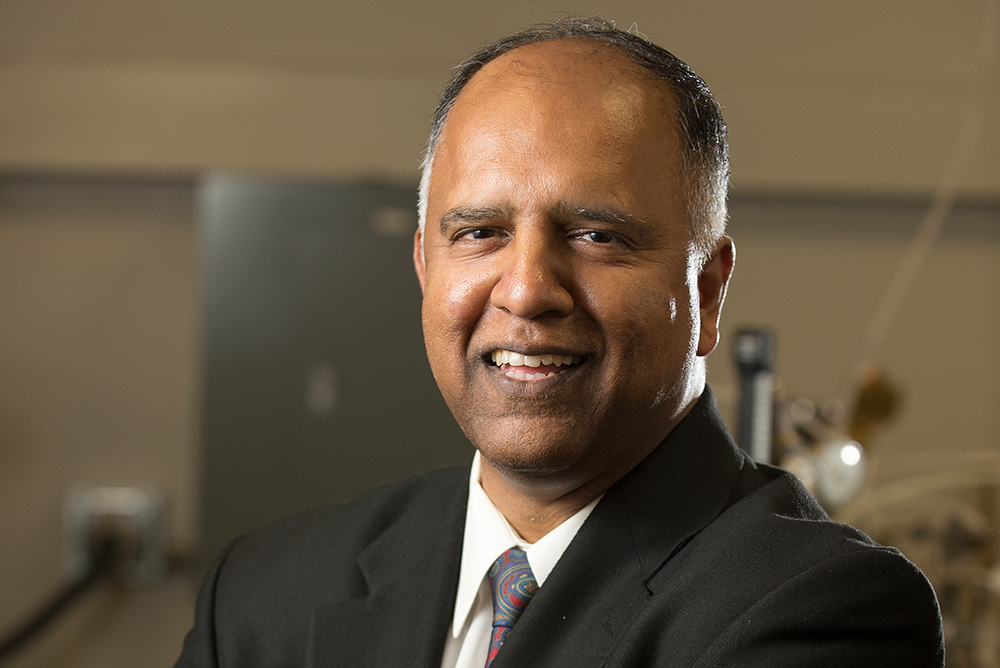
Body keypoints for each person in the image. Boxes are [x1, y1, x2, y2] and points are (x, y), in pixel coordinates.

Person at [176, 17, 945, 668]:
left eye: (596, 235)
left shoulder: (821, 611)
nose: (525, 290)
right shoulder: (262, 593)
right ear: (423, 268)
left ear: (707, 292)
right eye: (480, 233)